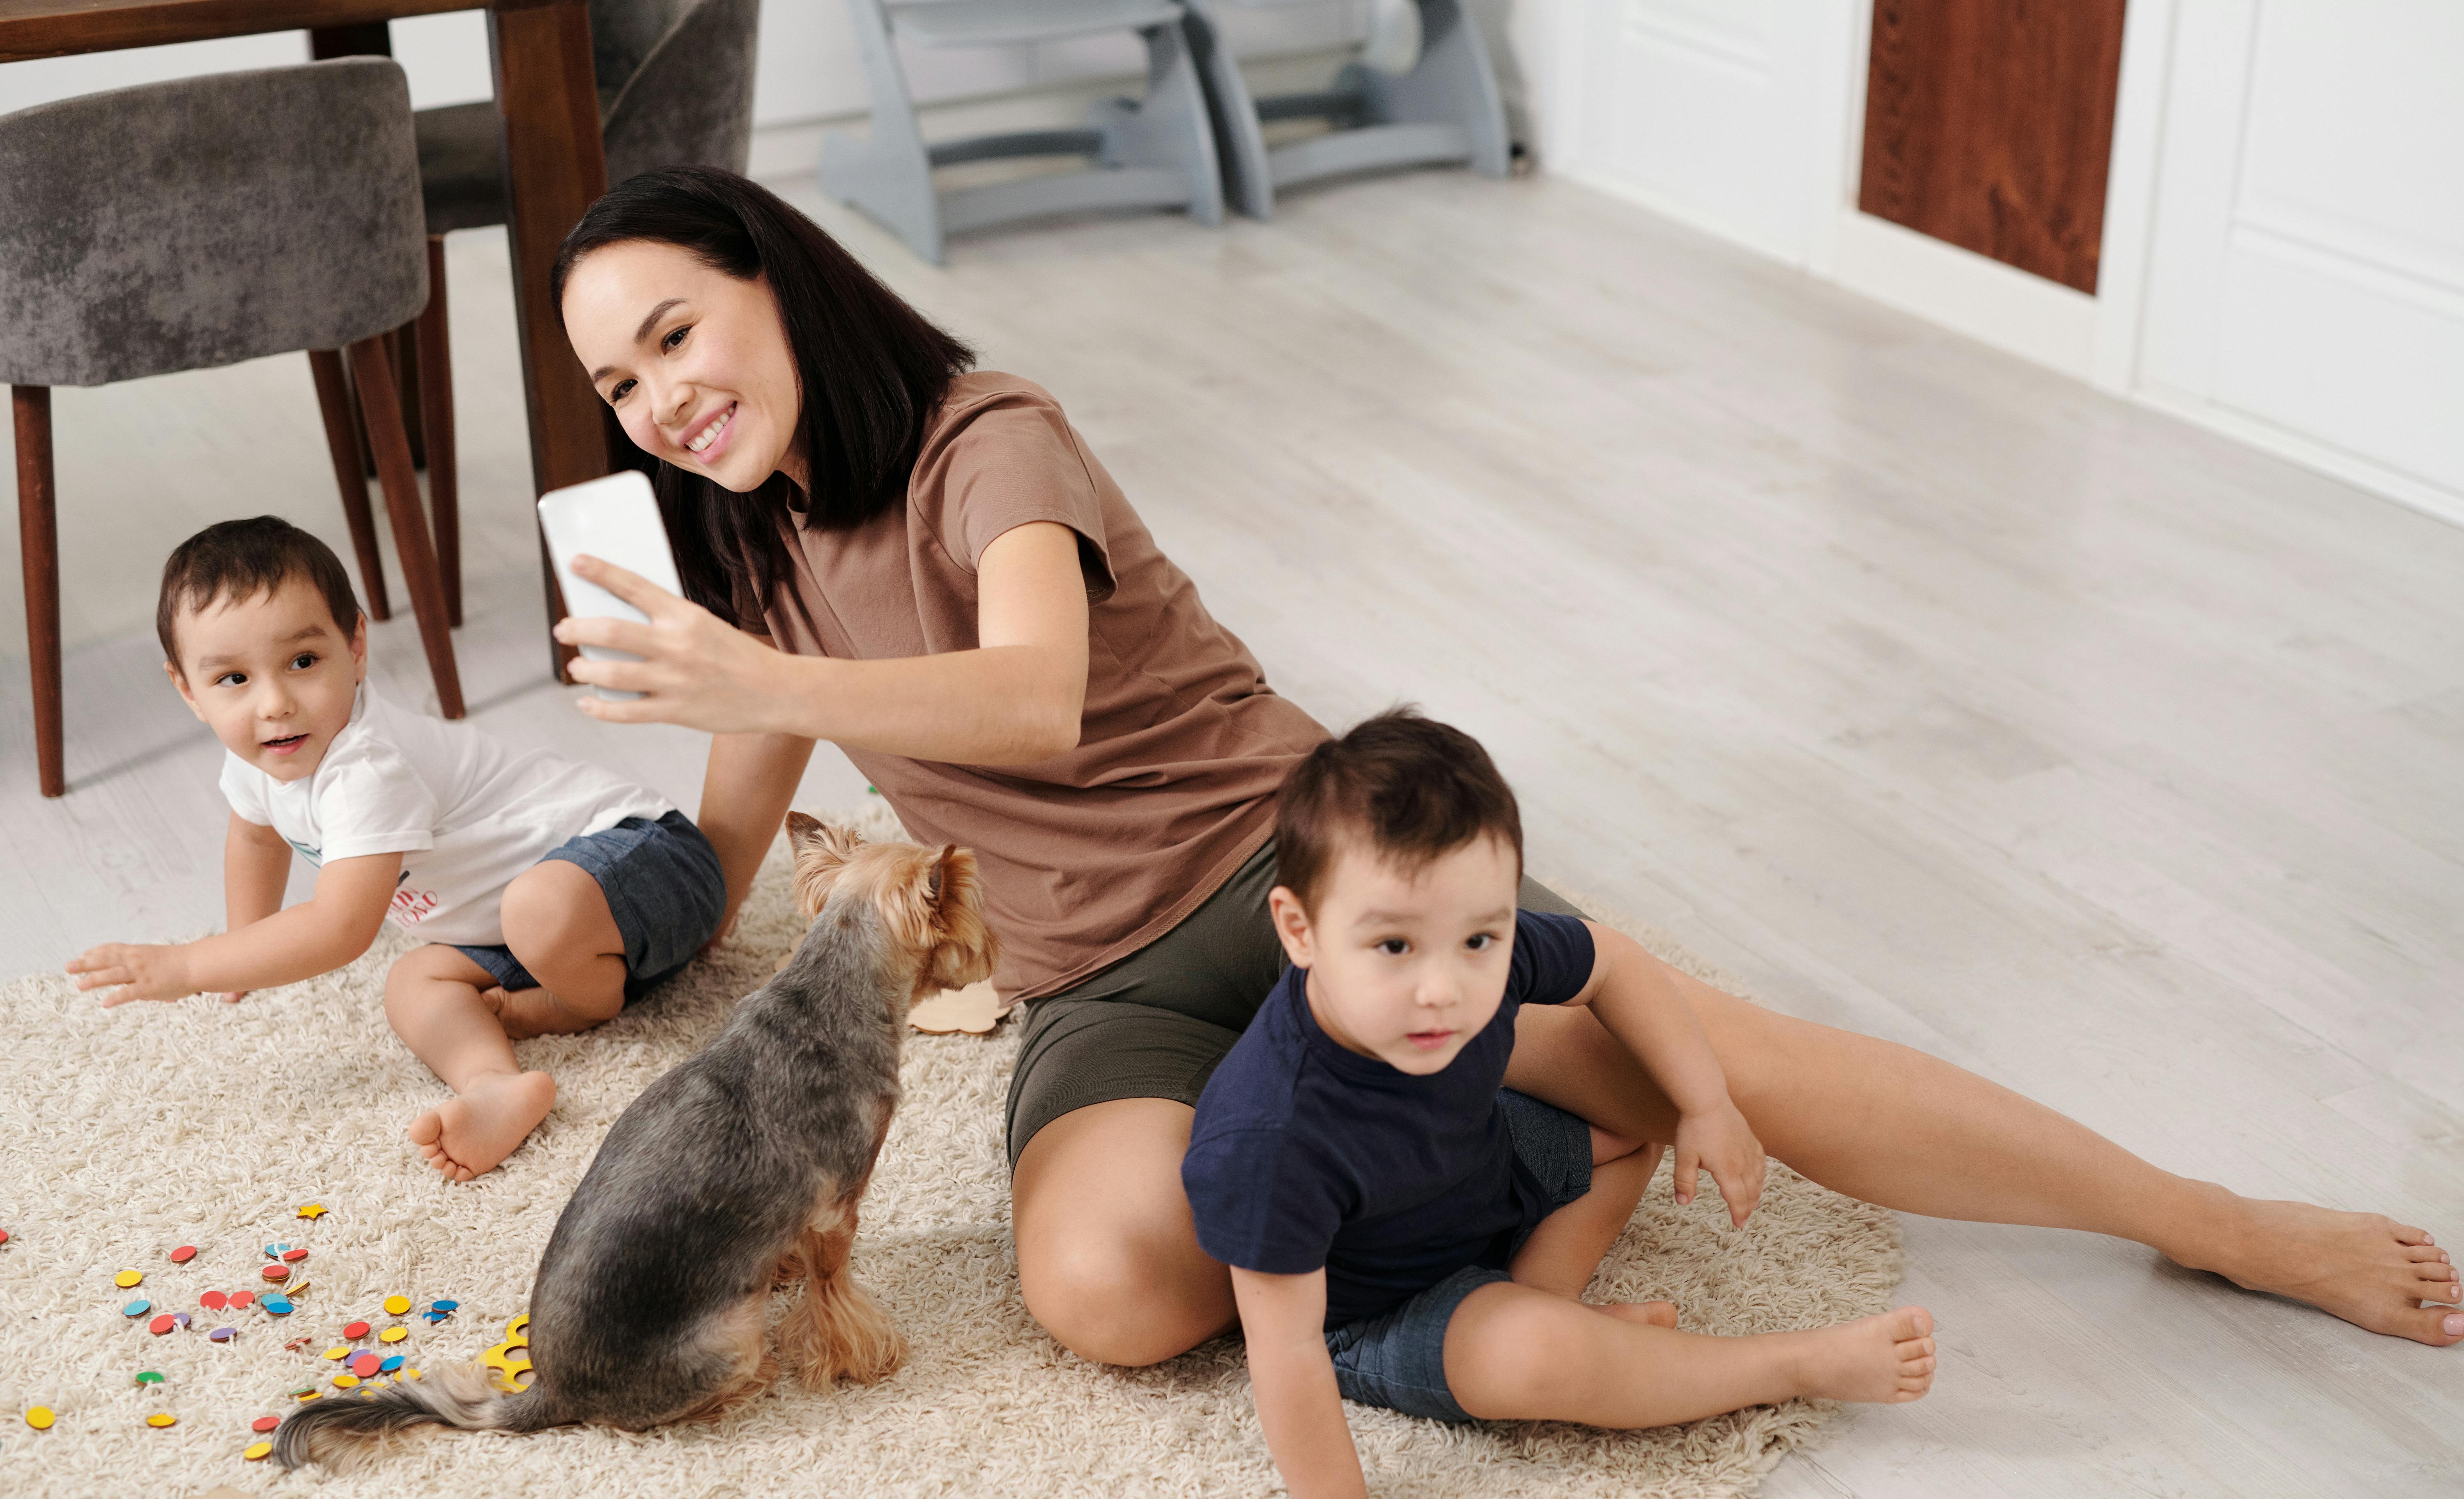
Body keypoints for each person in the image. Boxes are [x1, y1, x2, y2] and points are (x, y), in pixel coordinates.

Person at [539, 165, 2462, 1363]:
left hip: (1286, 860)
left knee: (1725, 1055)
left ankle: (2209, 1217)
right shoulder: (739, 560)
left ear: (774, 276)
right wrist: (547, 971)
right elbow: (729, 827)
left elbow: (1033, 698)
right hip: (1094, 981)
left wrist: (753, 667)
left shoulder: (983, 436)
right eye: (620, 385)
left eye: (676, 331)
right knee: (1112, 1292)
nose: (663, 397)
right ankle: (1479, 1141)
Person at [1186, 711, 1936, 1499]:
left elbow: (1612, 961)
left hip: (1476, 1168)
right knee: (1534, 1357)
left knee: (1633, 1113)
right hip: (1377, 1310)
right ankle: (1787, 1363)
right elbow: (1285, 1343)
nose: (1444, 987)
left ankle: (1542, 1289)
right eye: (1393, 946)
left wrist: (1707, 1101)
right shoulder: (1271, 1138)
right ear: (1299, 930)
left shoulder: (1475, 964)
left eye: (1480, 939)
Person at [65, 518, 724, 1181]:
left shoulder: (368, 768)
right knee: (411, 983)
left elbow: (341, 928)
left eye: (302, 662)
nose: (275, 705)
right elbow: (256, 836)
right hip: (521, 925)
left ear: (355, 646)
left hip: (647, 856)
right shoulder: (263, 758)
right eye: (234, 679)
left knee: (538, 905)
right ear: (188, 692)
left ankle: (586, 1002)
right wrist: (244, 950)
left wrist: (191, 966)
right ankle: (493, 1084)